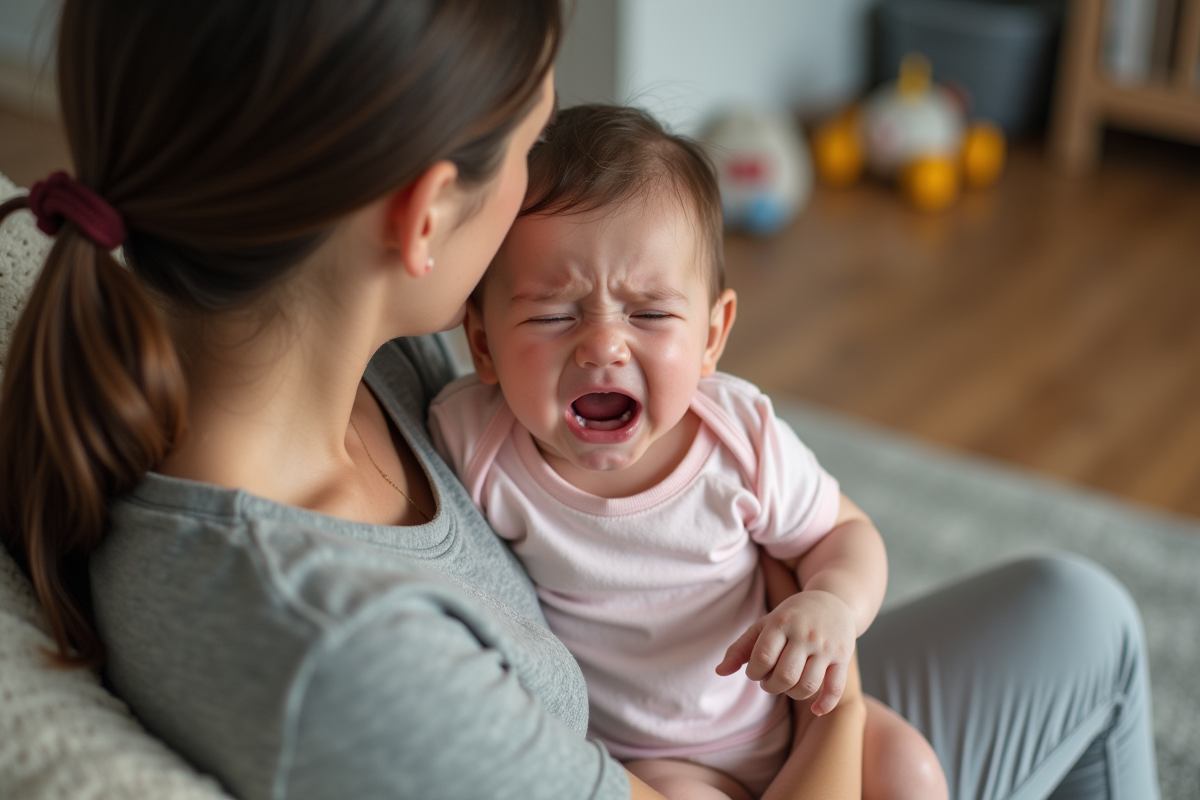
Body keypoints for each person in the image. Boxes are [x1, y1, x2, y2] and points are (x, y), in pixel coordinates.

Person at [0, 2, 1159, 799]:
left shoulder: (346, 367)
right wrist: (839, 700)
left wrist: (808, 595)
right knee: (1095, 638)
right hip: (761, 743)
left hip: (755, 683)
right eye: (527, 146)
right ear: (425, 217)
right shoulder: (346, 654)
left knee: (1075, 601)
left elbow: (791, 517)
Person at [428, 103, 947, 800]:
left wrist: (831, 604)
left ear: (711, 334)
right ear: (483, 343)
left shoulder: (739, 437)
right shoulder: (474, 444)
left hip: (788, 707)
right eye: (554, 314)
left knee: (911, 770)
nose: (604, 345)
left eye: (648, 313)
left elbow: (846, 533)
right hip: (657, 762)